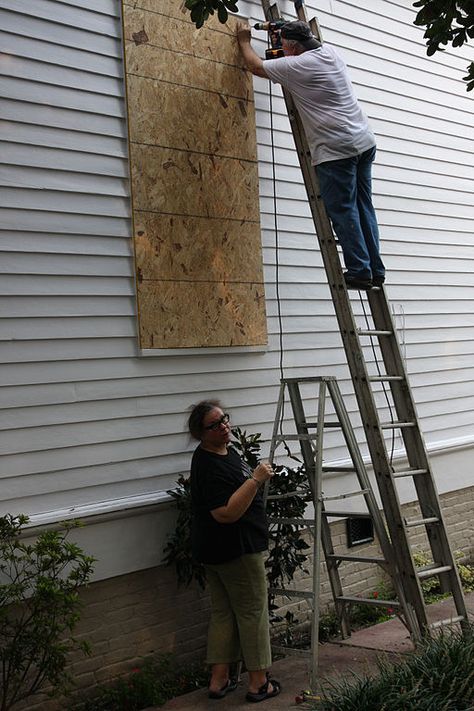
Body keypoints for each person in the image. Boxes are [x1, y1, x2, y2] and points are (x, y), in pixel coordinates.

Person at [237, 20, 386, 291]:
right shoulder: (330, 53)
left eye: (283, 45)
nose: (281, 49)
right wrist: (278, 28)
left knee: (343, 209)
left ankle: (359, 271)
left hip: (335, 149)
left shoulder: (296, 66)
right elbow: (297, 43)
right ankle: (375, 269)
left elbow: (256, 65)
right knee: (364, 205)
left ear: (293, 47)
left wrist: (245, 40)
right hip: (363, 140)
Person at [188, 400, 281, 703]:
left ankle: (219, 679)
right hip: (235, 551)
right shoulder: (208, 464)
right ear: (200, 432)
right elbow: (225, 513)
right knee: (253, 612)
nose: (224, 426)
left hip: (220, 550)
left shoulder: (225, 451)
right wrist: (256, 480)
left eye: (224, 419)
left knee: (224, 613)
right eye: (214, 424)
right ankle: (258, 682)